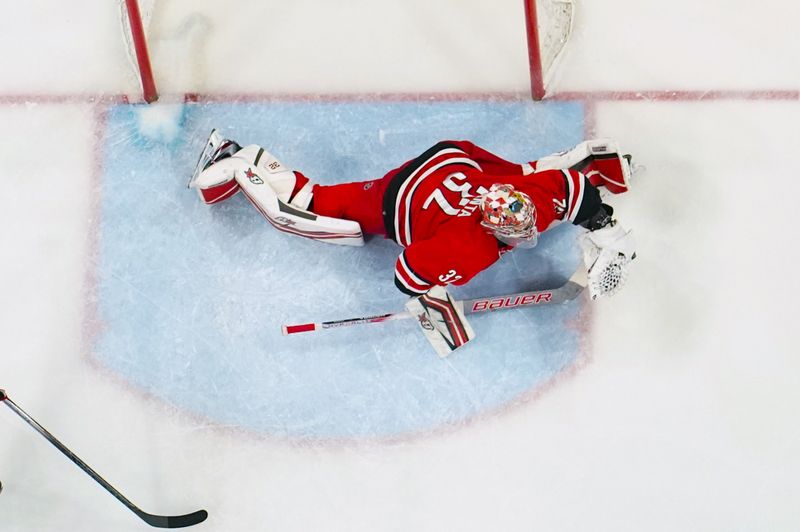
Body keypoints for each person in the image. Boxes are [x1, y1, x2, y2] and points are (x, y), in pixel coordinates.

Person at [188, 131, 636, 356]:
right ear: (492, 228)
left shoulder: (531, 199)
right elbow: (407, 275)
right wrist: (435, 302)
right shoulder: (467, 248)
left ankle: (606, 160)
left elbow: (573, 189)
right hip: (397, 198)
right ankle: (236, 159)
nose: (529, 235)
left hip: (454, 160)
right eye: (514, 235)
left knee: (520, 173)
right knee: (309, 210)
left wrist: (604, 226)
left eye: (528, 225)